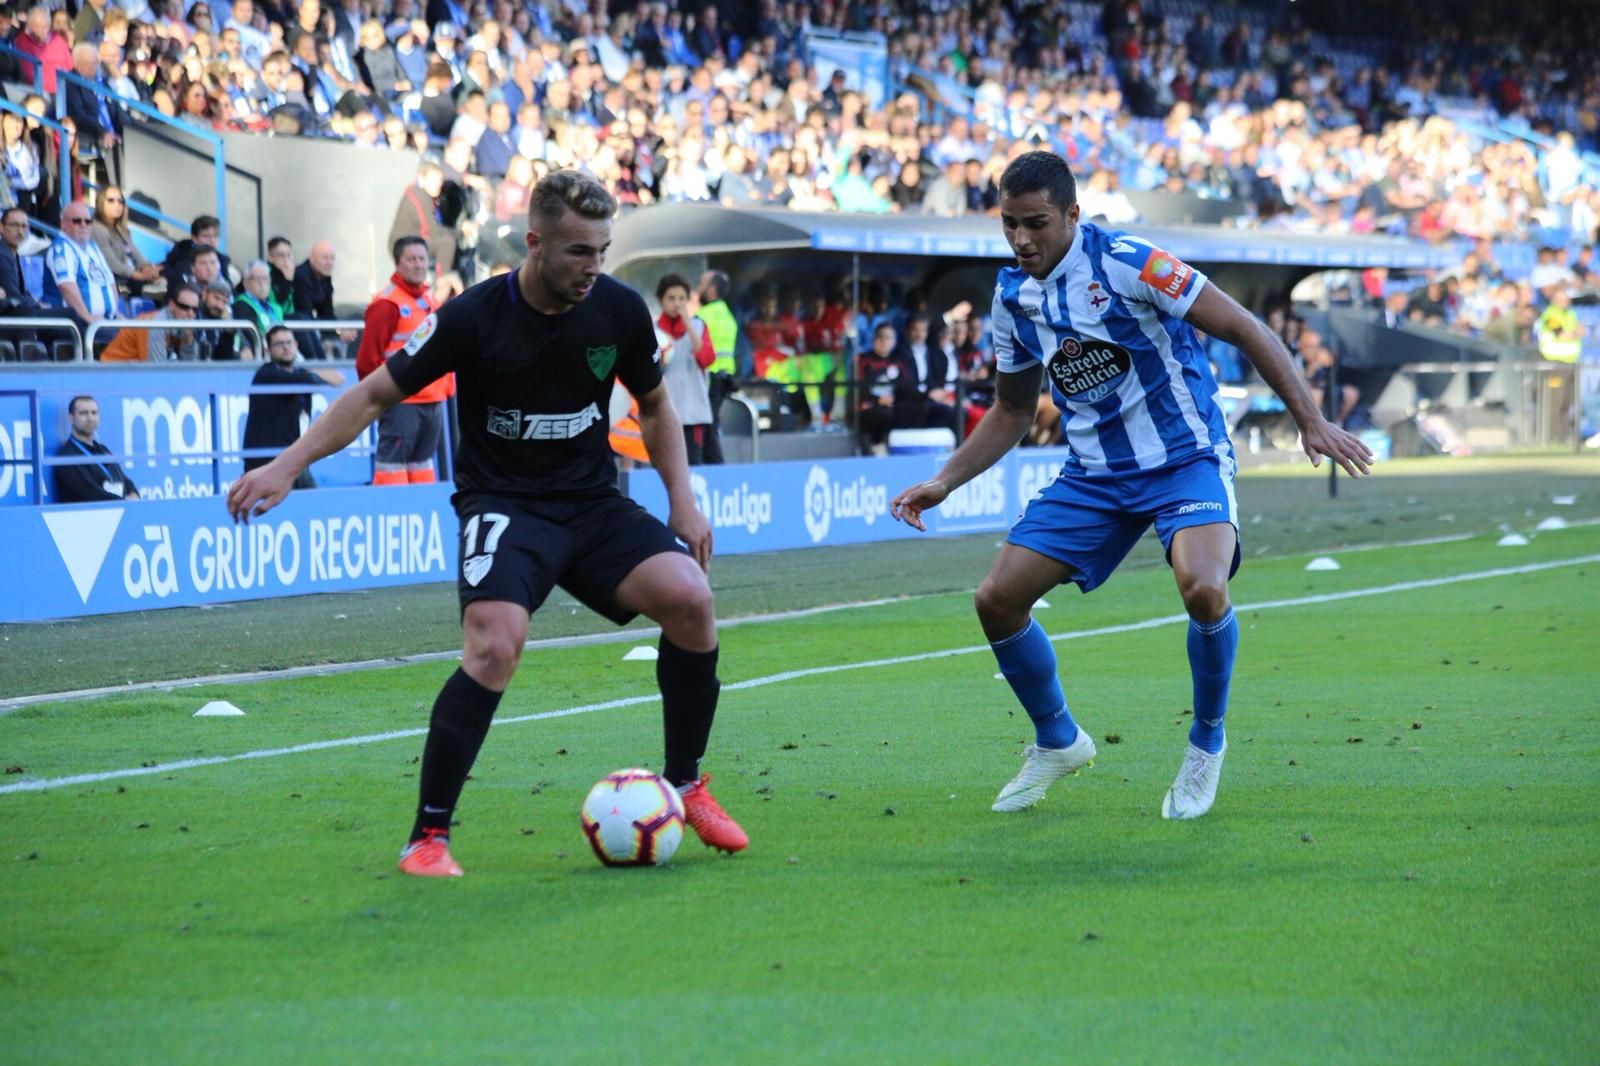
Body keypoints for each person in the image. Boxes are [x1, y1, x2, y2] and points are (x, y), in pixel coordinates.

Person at [225, 169, 749, 878]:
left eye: (602, 250)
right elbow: (374, 395)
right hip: (505, 506)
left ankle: (684, 785)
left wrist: (681, 500)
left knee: (691, 599)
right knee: (496, 644)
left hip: (592, 504)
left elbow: (656, 406)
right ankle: (427, 837)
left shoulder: (619, 310)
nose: (593, 267)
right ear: (534, 243)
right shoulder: (472, 316)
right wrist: (287, 465)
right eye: (578, 252)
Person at [888, 152, 1372, 821]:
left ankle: (1205, 743)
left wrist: (1309, 419)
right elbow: (1012, 411)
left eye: (1036, 223)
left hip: (1183, 458)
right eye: (1009, 224)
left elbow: (1243, 326)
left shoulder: (1130, 263)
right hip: (1095, 474)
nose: (1021, 239)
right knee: (997, 600)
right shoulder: (1012, 299)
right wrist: (945, 480)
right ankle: (1058, 740)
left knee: (1203, 588)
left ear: (1072, 215)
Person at [355, 235, 452, 484]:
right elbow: (367, 360)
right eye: (411, 259)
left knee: (422, 465)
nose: (418, 264)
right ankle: (390, 507)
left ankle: (422, 507)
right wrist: (380, 400)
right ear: (398, 263)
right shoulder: (387, 304)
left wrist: (447, 388)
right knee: (392, 467)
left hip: (432, 399)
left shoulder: (429, 301)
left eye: (422, 259)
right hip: (401, 401)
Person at [240, 323, 344, 485]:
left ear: (296, 345)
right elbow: (310, 380)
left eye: (289, 342)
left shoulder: (299, 373)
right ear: (268, 350)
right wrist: (314, 373)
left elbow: (338, 379)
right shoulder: (266, 374)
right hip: (266, 464)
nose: (286, 347)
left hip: (292, 461)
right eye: (279, 344)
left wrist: (312, 373)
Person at [655, 272, 719, 464]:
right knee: (666, 465)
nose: (677, 304)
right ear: (660, 300)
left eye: (682, 299)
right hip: (663, 414)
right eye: (671, 298)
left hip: (692, 413)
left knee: (693, 465)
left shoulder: (698, 326)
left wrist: (688, 326)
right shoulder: (653, 330)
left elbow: (706, 359)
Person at [43, 201, 121, 333]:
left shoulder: (93, 247)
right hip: (77, 325)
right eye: (77, 221)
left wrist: (114, 314)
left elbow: (110, 281)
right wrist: (88, 318)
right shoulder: (61, 248)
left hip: (103, 322)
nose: (83, 225)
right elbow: (66, 287)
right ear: (63, 224)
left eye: (87, 221)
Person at [53, 394, 138, 502]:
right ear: (71, 418)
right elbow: (91, 494)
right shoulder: (66, 456)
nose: (90, 418)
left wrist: (134, 494)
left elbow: (124, 480)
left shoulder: (103, 450)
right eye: (83, 413)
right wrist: (125, 502)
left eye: (94, 413)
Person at [97, 282, 202, 362]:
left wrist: (188, 339)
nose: (190, 313)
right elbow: (155, 370)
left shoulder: (181, 324)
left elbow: (190, 366)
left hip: (135, 373)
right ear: (171, 305)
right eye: (184, 307)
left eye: (195, 309)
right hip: (113, 374)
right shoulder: (155, 324)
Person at [91, 185, 162, 297]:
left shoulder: (121, 229)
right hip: (118, 280)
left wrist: (146, 268)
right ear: (101, 204)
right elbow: (112, 263)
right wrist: (139, 275)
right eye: (111, 200)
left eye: (120, 201)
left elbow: (136, 255)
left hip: (132, 276)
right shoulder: (97, 229)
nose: (117, 205)